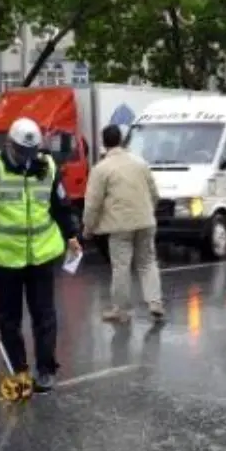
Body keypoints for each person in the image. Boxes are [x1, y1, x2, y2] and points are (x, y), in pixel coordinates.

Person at [0, 117, 80, 392]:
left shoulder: (46, 166)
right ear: (9, 144)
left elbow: (60, 204)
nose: (27, 158)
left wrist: (71, 234)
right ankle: (19, 370)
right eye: (22, 152)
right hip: (5, 257)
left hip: (42, 254)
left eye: (32, 152)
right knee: (9, 318)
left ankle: (46, 369)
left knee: (44, 315)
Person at [82, 125, 164, 322]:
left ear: (103, 142)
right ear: (122, 140)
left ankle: (121, 310)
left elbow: (93, 202)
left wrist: (88, 228)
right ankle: (155, 302)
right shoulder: (140, 163)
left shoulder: (101, 169)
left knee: (121, 266)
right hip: (145, 221)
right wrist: (147, 211)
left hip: (119, 226)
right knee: (147, 262)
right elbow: (155, 194)